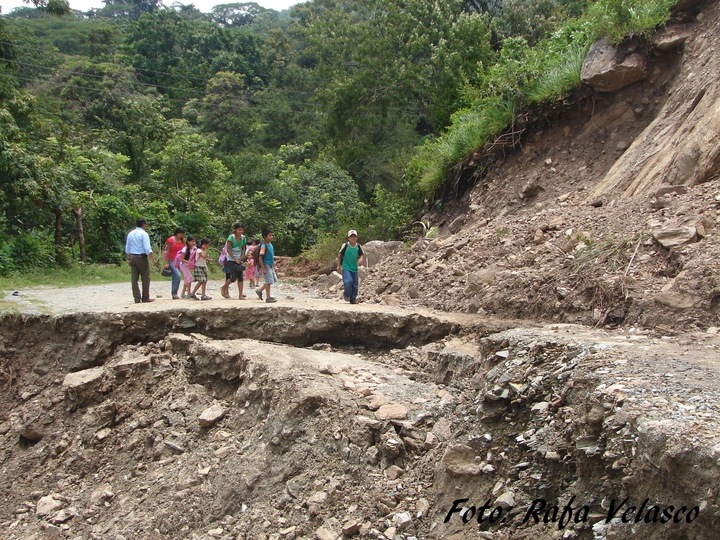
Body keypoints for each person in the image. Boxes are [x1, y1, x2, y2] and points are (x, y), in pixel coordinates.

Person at [124, 217, 156, 303]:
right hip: (141, 257)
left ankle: (136, 298)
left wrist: (129, 258)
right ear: (143, 224)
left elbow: (127, 248)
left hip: (133, 257)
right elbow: (147, 248)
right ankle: (145, 297)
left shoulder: (131, 234)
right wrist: (153, 260)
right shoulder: (144, 234)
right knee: (145, 277)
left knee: (134, 279)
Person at [337, 229, 365, 305]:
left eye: (354, 236)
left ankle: (353, 299)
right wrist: (338, 265)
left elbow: (362, 255)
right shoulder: (345, 245)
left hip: (354, 268)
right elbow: (340, 255)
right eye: (351, 237)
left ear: (357, 238)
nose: (353, 238)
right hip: (346, 267)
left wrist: (360, 260)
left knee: (355, 285)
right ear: (348, 238)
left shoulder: (358, 246)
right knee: (348, 281)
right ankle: (346, 295)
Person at [220, 223, 247, 300]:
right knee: (234, 277)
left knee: (240, 277)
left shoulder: (243, 238)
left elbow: (243, 248)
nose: (241, 231)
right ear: (236, 230)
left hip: (239, 258)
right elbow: (228, 249)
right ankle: (224, 287)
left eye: (242, 230)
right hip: (231, 259)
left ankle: (240, 295)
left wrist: (242, 256)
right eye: (239, 230)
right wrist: (235, 259)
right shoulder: (231, 237)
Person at [255, 228, 278, 303]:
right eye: (269, 235)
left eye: (271, 235)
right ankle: (268, 297)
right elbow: (260, 257)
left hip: (270, 265)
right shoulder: (264, 246)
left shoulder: (270, 244)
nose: (271, 237)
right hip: (266, 265)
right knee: (268, 281)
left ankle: (260, 290)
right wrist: (263, 267)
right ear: (265, 237)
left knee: (271, 280)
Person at [163, 227, 185, 300]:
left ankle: (174, 292)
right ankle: (174, 293)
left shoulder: (182, 241)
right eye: (180, 234)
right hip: (172, 260)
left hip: (178, 261)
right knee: (178, 275)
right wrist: (167, 262)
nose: (181, 235)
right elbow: (168, 251)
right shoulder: (171, 240)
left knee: (175, 276)